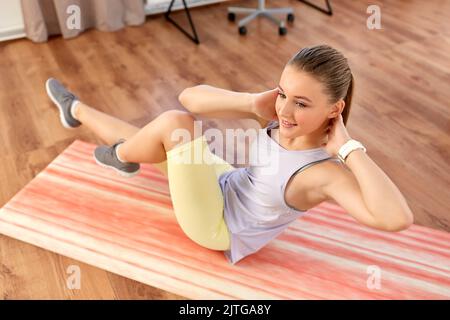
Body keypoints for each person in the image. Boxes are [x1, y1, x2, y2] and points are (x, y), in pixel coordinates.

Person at [46, 44, 414, 265]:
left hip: (220, 226)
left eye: (301, 103)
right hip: (226, 183)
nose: (284, 111)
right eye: (283, 93)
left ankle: (121, 156)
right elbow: (190, 97)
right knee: (160, 133)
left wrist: (349, 149)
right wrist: (254, 103)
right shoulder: (279, 117)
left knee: (174, 125)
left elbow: (396, 218)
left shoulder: (324, 172)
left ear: (335, 109)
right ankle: (76, 110)